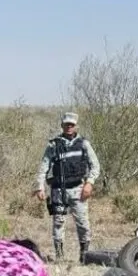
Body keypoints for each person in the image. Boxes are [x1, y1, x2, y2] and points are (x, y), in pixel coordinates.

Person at [33, 112, 101, 261]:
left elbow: (95, 166)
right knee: (58, 223)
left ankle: (84, 256)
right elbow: (44, 167)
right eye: (66, 124)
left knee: (83, 223)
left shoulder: (83, 144)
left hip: (78, 189)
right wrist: (40, 187)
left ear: (75, 125)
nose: (69, 127)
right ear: (62, 125)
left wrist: (89, 183)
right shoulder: (53, 145)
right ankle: (60, 257)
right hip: (58, 191)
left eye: (71, 124)